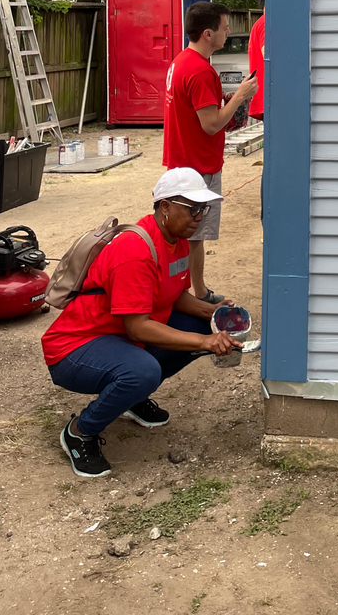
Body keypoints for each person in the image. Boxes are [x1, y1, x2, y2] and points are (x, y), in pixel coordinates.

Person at [42, 168, 241, 478]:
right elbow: (138, 327)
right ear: (165, 207)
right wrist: (205, 343)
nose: (199, 217)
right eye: (192, 208)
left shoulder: (177, 240)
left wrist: (209, 312)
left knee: (203, 326)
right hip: (76, 347)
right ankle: (80, 432)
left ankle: (131, 398)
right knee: (143, 371)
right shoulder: (135, 250)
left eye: (203, 209)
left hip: (119, 336)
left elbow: (172, 294)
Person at [163, 1, 258, 303]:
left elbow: (196, 113)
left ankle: (187, 291)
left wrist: (226, 100)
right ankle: (197, 294)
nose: (229, 32)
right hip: (197, 168)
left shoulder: (181, 62)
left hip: (182, 162)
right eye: (225, 27)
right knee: (194, 236)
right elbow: (211, 124)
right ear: (208, 33)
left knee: (184, 235)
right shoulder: (200, 71)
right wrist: (241, 95)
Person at [248, 0, 266, 221]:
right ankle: (268, 222)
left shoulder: (259, 23)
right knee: (274, 163)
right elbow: (271, 55)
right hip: (272, 103)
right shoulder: (267, 22)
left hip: (265, 102)